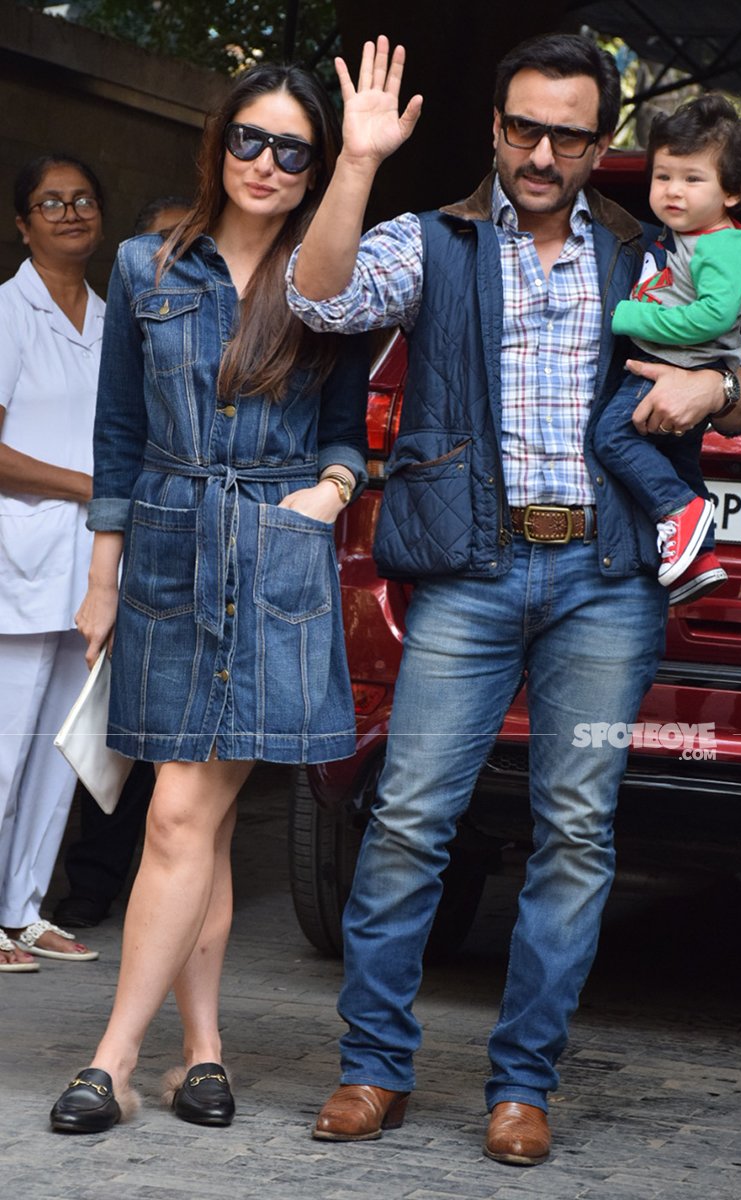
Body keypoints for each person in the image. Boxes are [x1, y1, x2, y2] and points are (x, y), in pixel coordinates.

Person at [286, 34, 741, 1164]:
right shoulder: (433, 242)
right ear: (494, 129)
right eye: (522, 127)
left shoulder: (646, 257)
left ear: (599, 143)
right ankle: (372, 1070)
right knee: (409, 821)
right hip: (469, 573)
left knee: (573, 833)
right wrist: (356, 162)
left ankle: (521, 1087)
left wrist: (719, 381)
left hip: (606, 583)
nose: (541, 151)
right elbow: (319, 301)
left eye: (567, 131)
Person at [49, 63, 369, 1132]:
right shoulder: (145, 268)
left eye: (292, 150)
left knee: (181, 811)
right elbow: (120, 438)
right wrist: (102, 577)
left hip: (274, 562)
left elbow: (348, 432)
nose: (266, 165)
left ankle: (113, 1060)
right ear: (216, 143)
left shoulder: (329, 284)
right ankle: (204, 1052)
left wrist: (328, 492)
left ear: (317, 168)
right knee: (206, 828)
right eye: (249, 140)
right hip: (169, 563)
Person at [54, 197, 192, 932]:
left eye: (183, 241)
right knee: (116, 728)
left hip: (192, 542)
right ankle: (93, 881)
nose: (169, 256)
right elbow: (115, 437)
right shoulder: (126, 328)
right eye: (158, 243)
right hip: (121, 539)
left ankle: (155, 884)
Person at [595, 93, 741, 604]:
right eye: (663, 176)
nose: (673, 191)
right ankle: (700, 555)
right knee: (681, 461)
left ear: (732, 191)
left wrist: (628, 315)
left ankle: (679, 512)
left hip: (678, 366)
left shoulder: (722, 244)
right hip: (676, 364)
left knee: (612, 437)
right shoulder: (682, 235)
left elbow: (712, 316)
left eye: (693, 179)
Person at [0, 154, 106, 973]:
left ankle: (24, 911)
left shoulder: (111, 320)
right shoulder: (7, 314)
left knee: (61, 748)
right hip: (21, 558)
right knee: (5, 744)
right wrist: (89, 486)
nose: (69, 212)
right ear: (23, 223)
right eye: (50, 202)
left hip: (91, 570)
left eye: (82, 200)